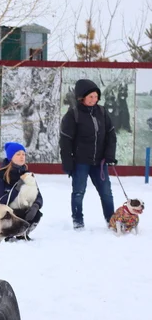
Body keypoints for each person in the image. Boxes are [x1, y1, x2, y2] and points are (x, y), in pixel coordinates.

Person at [59, 79, 116, 231]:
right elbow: (65, 141)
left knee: (106, 193)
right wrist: (68, 163)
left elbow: (111, 135)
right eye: (90, 96)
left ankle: (111, 220)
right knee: (78, 192)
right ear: (81, 97)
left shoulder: (102, 112)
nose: (94, 99)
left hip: (100, 162)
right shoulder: (73, 115)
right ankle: (78, 221)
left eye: (96, 96)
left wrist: (109, 155)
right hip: (80, 162)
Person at [0, 142, 43, 240]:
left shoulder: (28, 174)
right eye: (18, 154)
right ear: (11, 157)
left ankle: (23, 233)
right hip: (6, 214)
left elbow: (38, 195)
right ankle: (6, 234)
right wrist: (17, 188)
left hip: (24, 211)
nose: (22, 157)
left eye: (23, 154)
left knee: (36, 213)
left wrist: (35, 206)